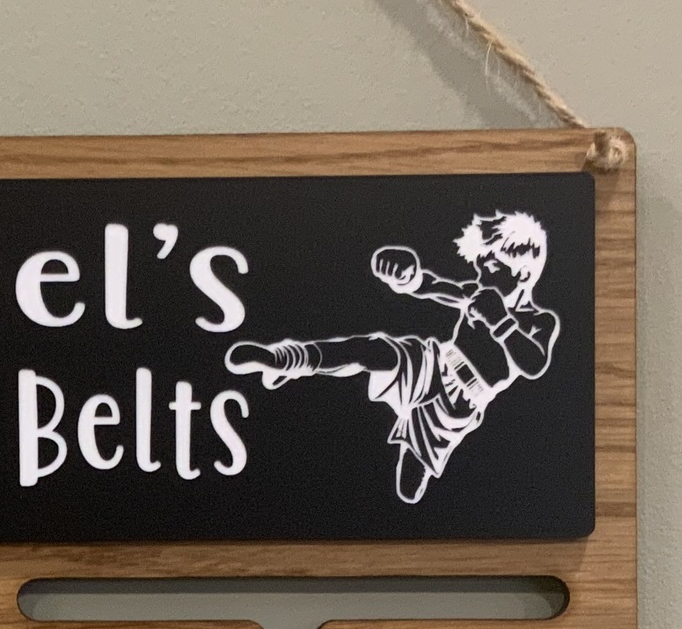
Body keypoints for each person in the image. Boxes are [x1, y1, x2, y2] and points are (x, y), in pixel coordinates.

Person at [224, 210, 560, 504]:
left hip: (461, 404)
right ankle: (288, 359)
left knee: (409, 489)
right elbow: (435, 288)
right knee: (372, 350)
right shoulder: (476, 293)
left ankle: (413, 454)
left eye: (493, 268)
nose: (482, 277)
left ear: (523, 274)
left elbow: (534, 364)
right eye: (480, 267)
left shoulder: (539, 321)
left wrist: (501, 321)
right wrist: (408, 276)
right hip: (433, 363)